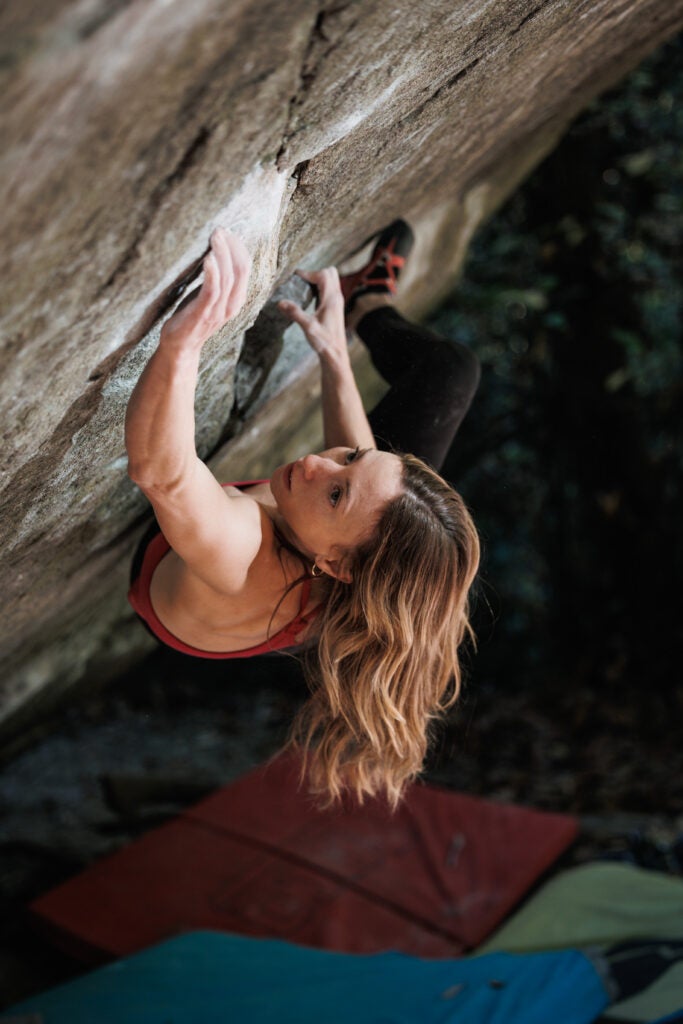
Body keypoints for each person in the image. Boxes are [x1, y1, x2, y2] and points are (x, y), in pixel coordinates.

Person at [126, 220, 481, 807]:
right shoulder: (355, 560)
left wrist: (182, 345)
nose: (318, 462)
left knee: (379, 472)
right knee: (449, 374)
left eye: (336, 492)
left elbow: (162, 474)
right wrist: (335, 355)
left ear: (338, 566)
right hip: (342, 542)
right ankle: (367, 300)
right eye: (351, 458)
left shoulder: (248, 554)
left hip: (165, 569)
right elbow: (361, 485)